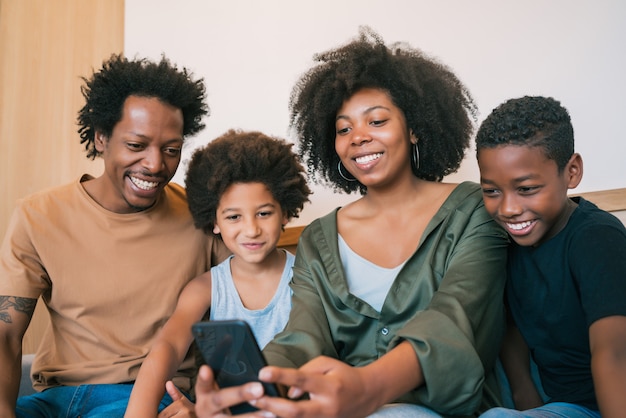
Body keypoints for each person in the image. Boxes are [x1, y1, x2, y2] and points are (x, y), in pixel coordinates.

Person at [191, 27, 509, 418]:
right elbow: (302, 337)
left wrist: (367, 388)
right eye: (344, 129)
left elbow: (455, 318)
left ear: (413, 128)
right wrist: (250, 391)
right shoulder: (319, 239)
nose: (358, 137)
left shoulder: (476, 211)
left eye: (376, 121)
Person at [0, 54, 230, 418]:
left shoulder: (204, 218)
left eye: (171, 150)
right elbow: (6, 335)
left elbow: (248, 319)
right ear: (101, 138)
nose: (155, 165)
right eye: (137, 146)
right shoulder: (37, 216)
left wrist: (206, 406)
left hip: (146, 398)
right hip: (53, 400)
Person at [124, 129, 311, 417]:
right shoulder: (205, 288)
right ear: (214, 221)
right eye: (234, 216)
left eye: (264, 213)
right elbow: (169, 347)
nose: (251, 229)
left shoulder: (307, 277)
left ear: (285, 212)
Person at [475, 96, 626, 418]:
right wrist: (525, 397)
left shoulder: (597, 237)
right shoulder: (505, 241)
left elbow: (613, 353)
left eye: (526, 188)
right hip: (564, 405)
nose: (509, 209)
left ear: (571, 172)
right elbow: (510, 324)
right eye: (491, 191)